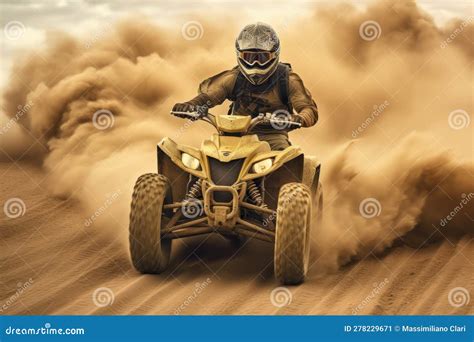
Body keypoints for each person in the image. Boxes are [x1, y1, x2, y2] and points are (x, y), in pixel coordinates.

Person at [172, 22, 318, 151]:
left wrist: (299, 118)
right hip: (232, 135)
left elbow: (308, 109)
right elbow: (209, 96)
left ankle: (290, 182)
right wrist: (190, 105)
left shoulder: (287, 79)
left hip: (272, 136)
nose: (255, 64)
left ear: (274, 55)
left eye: (262, 58)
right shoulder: (234, 78)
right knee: (199, 158)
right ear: (239, 55)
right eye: (249, 57)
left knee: (288, 160)